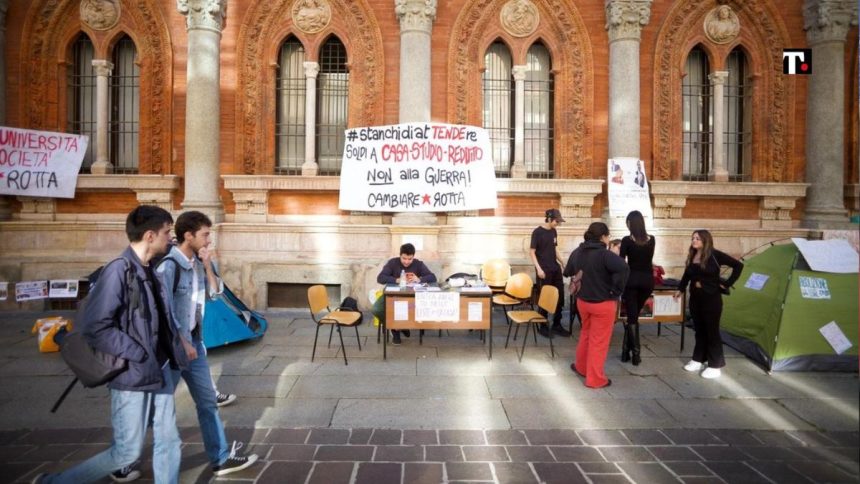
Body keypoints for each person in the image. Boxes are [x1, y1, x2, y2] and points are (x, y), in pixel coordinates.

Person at [34, 206, 185, 484]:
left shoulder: (152, 268)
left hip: (160, 368)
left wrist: (177, 345)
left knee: (169, 439)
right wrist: (137, 354)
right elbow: (96, 326)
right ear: (150, 236)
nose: (171, 239)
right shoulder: (119, 270)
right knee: (125, 453)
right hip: (133, 374)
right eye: (167, 232)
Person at [155, 211, 258, 477]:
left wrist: (208, 264)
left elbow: (215, 293)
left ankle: (221, 458)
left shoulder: (198, 262)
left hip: (194, 346)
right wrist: (181, 341)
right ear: (188, 235)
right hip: (174, 349)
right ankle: (126, 457)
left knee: (207, 403)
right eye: (204, 234)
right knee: (158, 410)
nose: (208, 239)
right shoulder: (168, 267)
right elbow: (163, 312)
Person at [566, 222, 628, 389]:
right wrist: (615, 291)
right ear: (603, 237)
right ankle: (595, 379)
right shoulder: (605, 255)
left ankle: (581, 367)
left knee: (586, 334)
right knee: (598, 342)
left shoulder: (579, 251)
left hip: (583, 302)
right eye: (608, 236)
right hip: (602, 303)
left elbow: (567, 270)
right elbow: (624, 268)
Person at [674, 230, 743, 379]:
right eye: (693, 238)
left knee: (712, 331)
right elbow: (687, 274)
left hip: (711, 298)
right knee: (699, 330)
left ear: (705, 240)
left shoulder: (715, 255)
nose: (694, 240)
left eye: (697, 238)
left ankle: (715, 364)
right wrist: (680, 289)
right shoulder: (693, 255)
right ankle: (698, 359)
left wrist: (727, 284)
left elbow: (738, 266)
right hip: (695, 299)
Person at [372, 243, 437, 345]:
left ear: (413, 257)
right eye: (404, 258)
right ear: (400, 255)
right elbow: (380, 278)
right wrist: (397, 280)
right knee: (376, 309)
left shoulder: (418, 264)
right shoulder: (393, 263)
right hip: (392, 296)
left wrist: (419, 279)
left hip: (411, 298)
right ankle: (395, 327)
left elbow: (433, 277)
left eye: (410, 259)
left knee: (406, 309)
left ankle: (401, 327)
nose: (407, 261)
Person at [619, 211, 655, 366]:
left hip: (632, 281)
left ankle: (636, 354)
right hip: (647, 282)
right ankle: (626, 352)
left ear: (630, 224)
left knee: (632, 317)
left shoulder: (627, 240)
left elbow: (621, 262)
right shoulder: (652, 240)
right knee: (633, 317)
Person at [530, 209, 570, 338]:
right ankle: (543, 325)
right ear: (549, 218)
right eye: (556, 221)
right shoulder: (537, 232)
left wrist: (562, 262)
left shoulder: (553, 231)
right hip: (544, 270)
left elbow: (554, 248)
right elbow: (532, 252)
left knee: (560, 295)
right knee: (544, 297)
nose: (558, 223)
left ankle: (557, 324)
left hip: (555, 268)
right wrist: (539, 269)